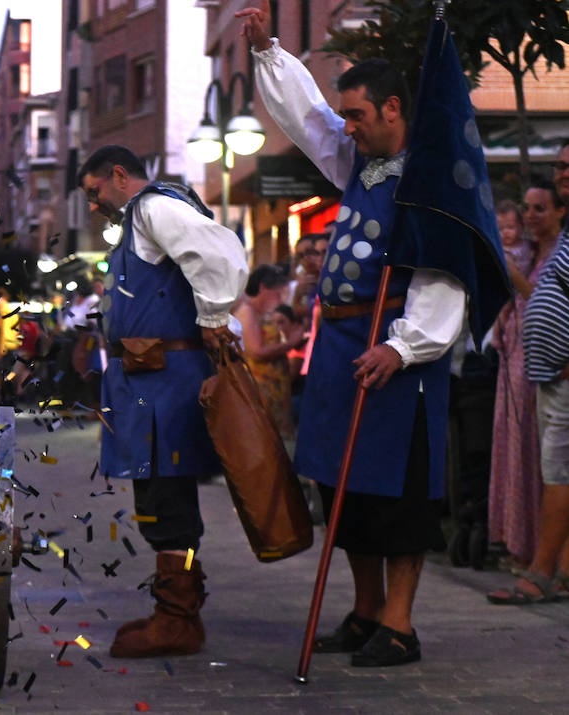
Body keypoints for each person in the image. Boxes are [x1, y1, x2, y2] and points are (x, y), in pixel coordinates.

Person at [242, 1, 495, 666]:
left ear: (392, 110)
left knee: (398, 491)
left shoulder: (428, 185)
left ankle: (401, 622)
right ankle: (362, 609)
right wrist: (269, 53)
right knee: (343, 487)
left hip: (395, 356)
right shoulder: (356, 163)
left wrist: (403, 345)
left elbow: (444, 277)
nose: (346, 128)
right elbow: (309, 118)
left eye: (358, 115)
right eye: (346, 116)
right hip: (338, 353)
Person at [79, 145, 246, 658]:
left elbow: (221, 254)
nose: (92, 206)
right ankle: (177, 612)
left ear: (120, 176)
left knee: (167, 501)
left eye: (94, 192)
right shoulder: (140, 218)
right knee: (161, 499)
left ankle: (178, 618)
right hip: (151, 384)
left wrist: (217, 316)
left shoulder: (152, 207)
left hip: (165, 385)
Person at [487, 157, 569, 602]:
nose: (532, 217)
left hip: (551, 371)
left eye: (541, 208)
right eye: (529, 208)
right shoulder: (539, 249)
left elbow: (539, 295)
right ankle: (547, 562)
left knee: (554, 469)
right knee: (545, 465)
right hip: (530, 366)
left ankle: (542, 568)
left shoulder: (558, 251)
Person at [234, 264, 306, 442]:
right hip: (259, 389)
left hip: (274, 389)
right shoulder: (246, 310)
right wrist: (291, 343)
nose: (281, 299)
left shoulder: (260, 313)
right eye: (278, 293)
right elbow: (256, 352)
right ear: (263, 288)